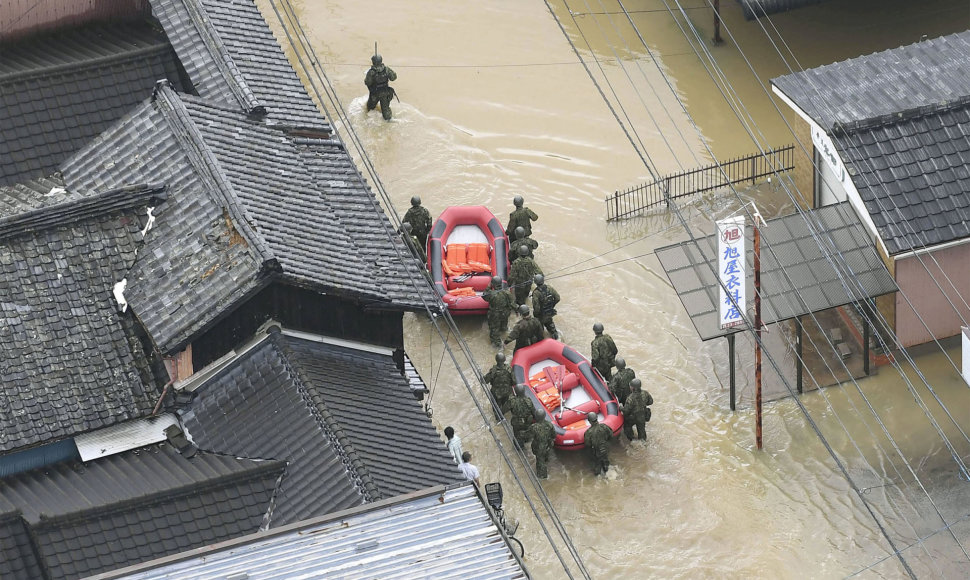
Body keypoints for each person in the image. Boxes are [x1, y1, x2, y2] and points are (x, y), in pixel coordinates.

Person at [482, 276, 515, 347]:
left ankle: (498, 346)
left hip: (495, 315)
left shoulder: (491, 294)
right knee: (504, 326)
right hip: (505, 314)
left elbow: (484, 296)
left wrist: (488, 287)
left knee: (494, 331)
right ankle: (504, 331)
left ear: (493, 284)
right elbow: (513, 303)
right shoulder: (507, 292)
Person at [365, 54, 398, 120]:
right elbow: (394, 77)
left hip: (375, 94)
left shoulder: (371, 72)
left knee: (370, 108)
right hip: (385, 93)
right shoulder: (386, 69)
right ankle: (389, 122)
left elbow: (367, 82)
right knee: (386, 113)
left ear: (373, 62)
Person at [484, 352, 515, 418]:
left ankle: (498, 418)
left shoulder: (493, 371)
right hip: (507, 393)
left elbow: (485, 381)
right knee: (505, 406)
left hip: (496, 394)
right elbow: (514, 381)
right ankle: (504, 416)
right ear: (504, 359)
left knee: (496, 408)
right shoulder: (509, 369)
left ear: (496, 360)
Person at [531, 274, 560, 340]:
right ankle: (556, 338)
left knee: (539, 332)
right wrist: (552, 305)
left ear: (535, 282)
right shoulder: (549, 288)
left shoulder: (536, 293)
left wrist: (536, 315)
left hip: (541, 315)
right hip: (549, 312)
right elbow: (557, 298)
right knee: (551, 327)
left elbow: (537, 308)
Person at [529, 407, 556, 479]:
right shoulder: (549, 425)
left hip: (539, 447)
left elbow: (528, 436)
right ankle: (546, 460)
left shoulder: (534, 427)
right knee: (545, 457)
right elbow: (554, 435)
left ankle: (542, 477)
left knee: (540, 462)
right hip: (548, 445)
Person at [509, 384, 535, 451]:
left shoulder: (513, 401)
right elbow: (534, 411)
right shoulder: (528, 401)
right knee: (527, 433)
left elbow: (506, 408)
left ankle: (519, 448)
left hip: (517, 422)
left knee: (517, 436)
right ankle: (526, 441)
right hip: (527, 422)